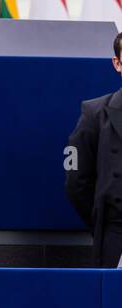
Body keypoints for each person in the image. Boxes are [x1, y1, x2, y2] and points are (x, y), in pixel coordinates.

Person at [65, 29, 122, 266]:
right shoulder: (94, 114)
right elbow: (76, 182)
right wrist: (102, 223)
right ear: (117, 63)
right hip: (116, 237)